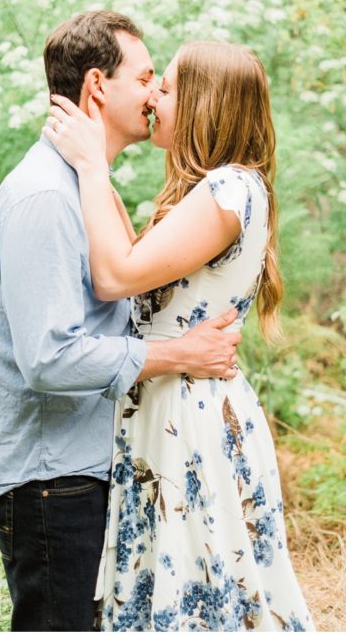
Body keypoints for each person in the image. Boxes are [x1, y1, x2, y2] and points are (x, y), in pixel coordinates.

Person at [0, 11, 243, 632]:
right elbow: (50, 358)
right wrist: (181, 354)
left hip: (72, 469)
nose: (154, 96)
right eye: (147, 78)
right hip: (47, 477)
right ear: (98, 87)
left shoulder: (81, 189)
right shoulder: (45, 198)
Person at [43, 40, 315, 631]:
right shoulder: (216, 190)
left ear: (202, 103)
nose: (151, 99)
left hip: (188, 416)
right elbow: (132, 262)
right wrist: (101, 172)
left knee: (199, 599)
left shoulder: (227, 190)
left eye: (164, 87)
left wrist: (91, 167)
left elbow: (115, 275)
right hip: (168, 405)